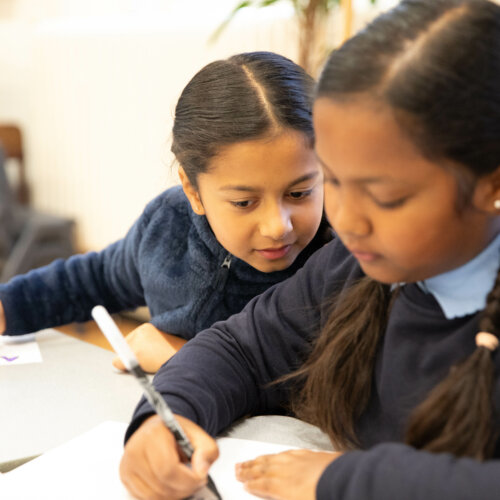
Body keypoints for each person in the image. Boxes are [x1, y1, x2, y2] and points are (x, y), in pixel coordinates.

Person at [119, 0, 500, 498]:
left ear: (491, 184)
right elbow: (240, 348)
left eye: (386, 197)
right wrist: (165, 418)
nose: (347, 220)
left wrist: (340, 480)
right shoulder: (351, 267)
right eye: (333, 182)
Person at [0, 51, 331, 373]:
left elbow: (330, 385)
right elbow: (97, 278)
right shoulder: (167, 224)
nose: (277, 226)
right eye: (244, 203)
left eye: (300, 193)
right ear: (193, 191)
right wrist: (10, 305)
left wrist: (188, 359)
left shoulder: (340, 255)